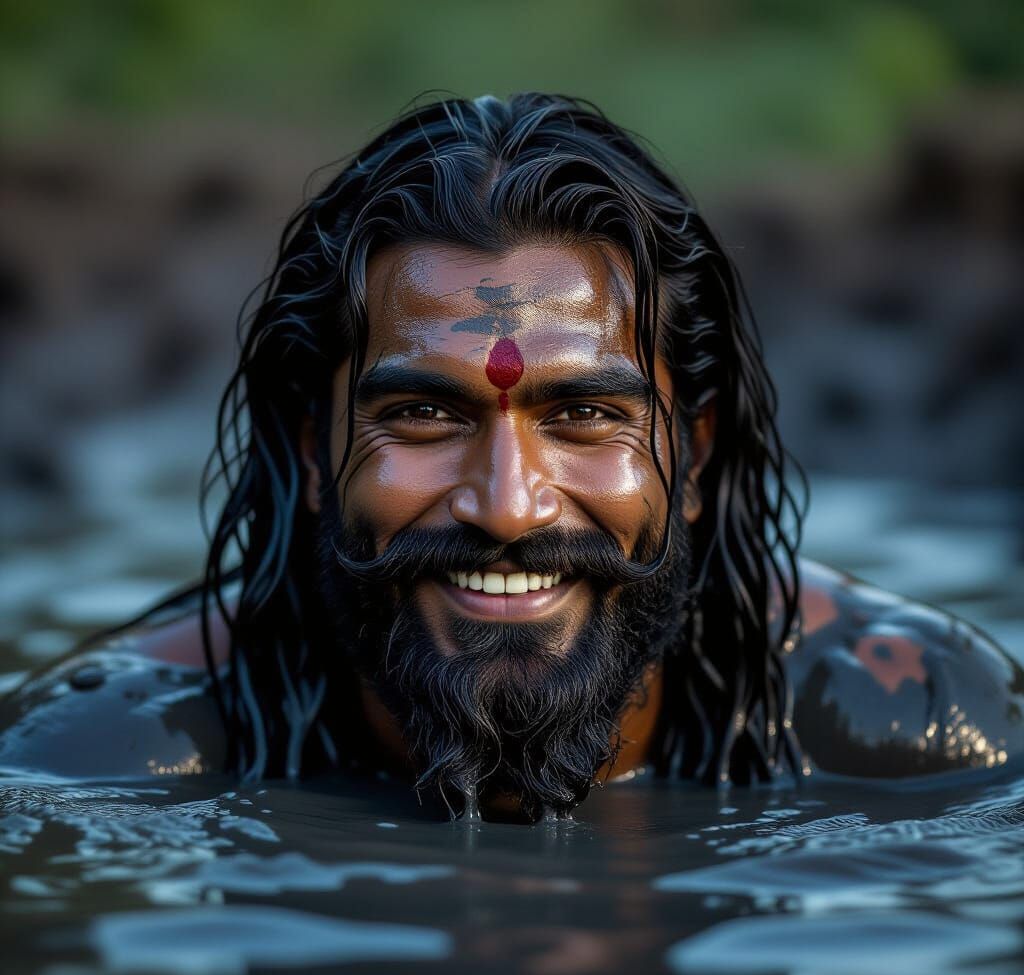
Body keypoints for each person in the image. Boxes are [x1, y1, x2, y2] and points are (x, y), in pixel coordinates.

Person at [2, 94, 1021, 822]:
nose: (507, 505)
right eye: (424, 415)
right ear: (316, 452)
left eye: (582, 413)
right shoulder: (103, 755)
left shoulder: (917, 720)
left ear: (696, 456)